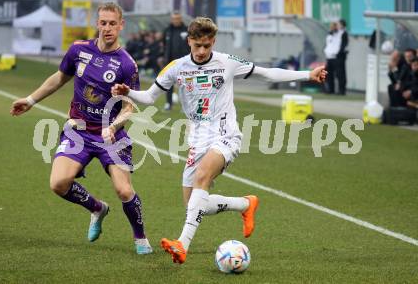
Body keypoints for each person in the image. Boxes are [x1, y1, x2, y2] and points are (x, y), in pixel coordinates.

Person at [111, 17, 327, 264]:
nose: (202, 51)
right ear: (189, 41)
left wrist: (308, 74)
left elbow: (267, 74)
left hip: (226, 136)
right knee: (195, 204)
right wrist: (128, 92)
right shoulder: (176, 67)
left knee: (203, 177)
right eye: (197, 45)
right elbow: (150, 97)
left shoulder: (227, 62)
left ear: (213, 42)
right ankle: (245, 204)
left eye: (207, 45)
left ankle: (182, 245)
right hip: (197, 141)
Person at [9, 2, 153, 255]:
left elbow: (129, 107)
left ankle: (140, 238)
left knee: (124, 189)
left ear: (121, 25)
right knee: (58, 183)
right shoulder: (79, 50)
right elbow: (59, 78)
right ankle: (97, 208)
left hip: (111, 136)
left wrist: (114, 125)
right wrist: (30, 100)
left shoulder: (126, 64)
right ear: (97, 23)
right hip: (79, 131)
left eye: (112, 23)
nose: (107, 28)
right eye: (103, 23)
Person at [163, 11, 189, 110]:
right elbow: (165, 44)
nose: (176, 20)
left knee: (184, 85)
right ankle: (169, 104)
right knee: (169, 83)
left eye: (178, 18)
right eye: (174, 18)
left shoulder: (187, 30)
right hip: (170, 62)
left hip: (184, 63)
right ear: (171, 19)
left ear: (181, 19)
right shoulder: (167, 30)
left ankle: (185, 106)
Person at [324, 22, 340, 94]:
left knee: (336, 74)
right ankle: (330, 90)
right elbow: (328, 44)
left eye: (334, 26)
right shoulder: (329, 35)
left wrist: (335, 53)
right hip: (329, 57)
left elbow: (337, 45)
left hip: (335, 57)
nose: (332, 28)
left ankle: (338, 90)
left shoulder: (338, 35)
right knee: (329, 75)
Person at [336, 19, 348, 95]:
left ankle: (342, 90)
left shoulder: (344, 33)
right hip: (338, 55)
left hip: (341, 55)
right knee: (338, 73)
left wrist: (339, 52)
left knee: (341, 73)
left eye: (339, 24)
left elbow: (343, 45)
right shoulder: (338, 33)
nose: (338, 26)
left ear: (342, 25)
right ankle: (340, 89)